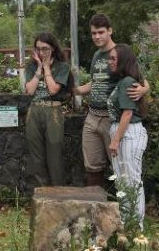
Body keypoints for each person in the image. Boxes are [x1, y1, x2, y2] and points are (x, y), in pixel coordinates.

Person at [75, 14, 149, 188]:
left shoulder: (120, 53)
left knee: (120, 166)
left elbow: (141, 80)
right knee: (92, 166)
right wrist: (74, 90)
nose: (97, 36)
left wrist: (144, 89)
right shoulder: (96, 55)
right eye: (93, 33)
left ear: (110, 31)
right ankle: (97, 208)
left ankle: (125, 209)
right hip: (92, 116)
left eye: (101, 32)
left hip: (113, 118)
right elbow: (95, 82)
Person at [107, 44, 149, 229]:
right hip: (123, 132)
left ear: (123, 60)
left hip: (129, 133)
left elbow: (127, 113)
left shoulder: (127, 82)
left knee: (132, 179)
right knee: (122, 180)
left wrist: (115, 140)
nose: (110, 62)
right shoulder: (123, 80)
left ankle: (136, 226)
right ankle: (126, 221)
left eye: (113, 58)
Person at [24, 32, 72, 186]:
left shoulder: (62, 66)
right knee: (36, 155)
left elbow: (52, 90)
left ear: (53, 48)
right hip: (35, 110)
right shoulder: (31, 66)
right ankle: (42, 193)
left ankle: (58, 192)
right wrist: (39, 69)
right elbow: (30, 91)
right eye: (38, 49)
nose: (41, 52)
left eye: (45, 48)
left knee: (54, 154)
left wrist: (47, 68)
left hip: (53, 111)